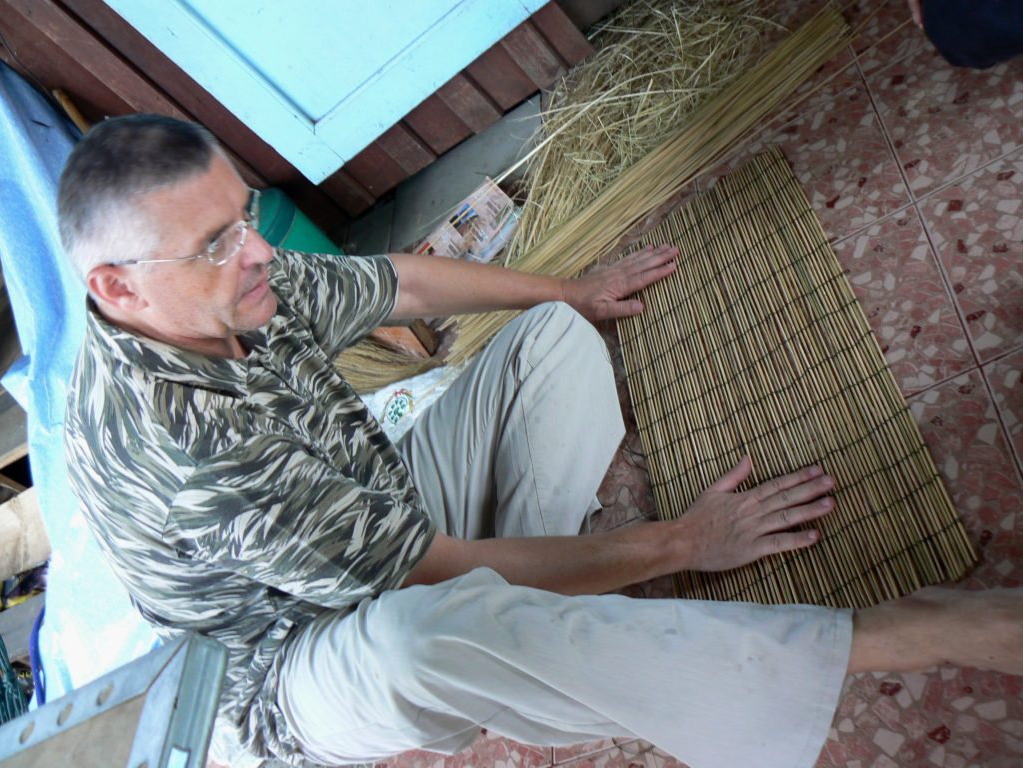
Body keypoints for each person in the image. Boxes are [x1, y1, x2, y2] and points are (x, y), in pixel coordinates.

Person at [60, 115, 1021, 768]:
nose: (259, 251)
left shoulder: (233, 285)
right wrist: (685, 544)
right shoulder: (183, 449)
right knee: (428, 634)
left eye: (248, 216)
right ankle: (907, 633)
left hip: (380, 518)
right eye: (216, 244)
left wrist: (574, 291)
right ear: (117, 288)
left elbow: (400, 285)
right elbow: (421, 576)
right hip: (294, 664)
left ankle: (537, 622)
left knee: (551, 344)